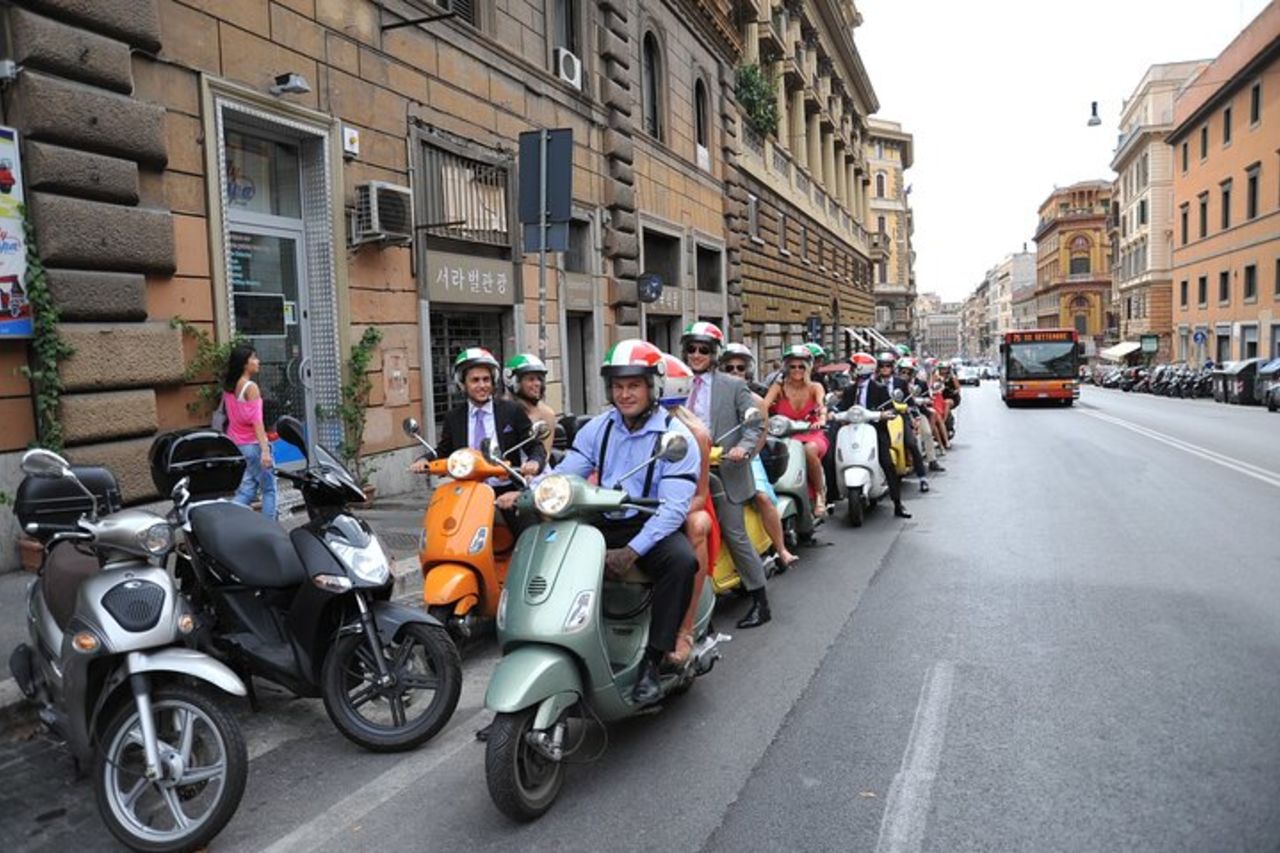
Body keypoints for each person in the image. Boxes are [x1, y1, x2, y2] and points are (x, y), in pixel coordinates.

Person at [547, 339, 702, 704]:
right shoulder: (597, 429)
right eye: (618, 386)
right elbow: (567, 473)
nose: (625, 394)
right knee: (546, 547)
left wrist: (631, 552)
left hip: (648, 525)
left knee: (681, 562)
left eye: (633, 385)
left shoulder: (676, 439)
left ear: (653, 387)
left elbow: (673, 509)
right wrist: (536, 488)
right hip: (603, 519)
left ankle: (652, 660)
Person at [681, 322, 772, 629]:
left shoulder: (732, 386)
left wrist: (743, 449)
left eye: (703, 349)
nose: (696, 355)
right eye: (691, 348)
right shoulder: (674, 383)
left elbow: (755, 424)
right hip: (682, 470)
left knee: (734, 533)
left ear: (714, 353)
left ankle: (761, 601)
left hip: (724, 470)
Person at [414, 348, 545, 504]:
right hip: (466, 490)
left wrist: (534, 462)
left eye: (486, 379)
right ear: (463, 384)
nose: (482, 385)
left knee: (524, 523)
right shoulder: (454, 417)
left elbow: (534, 445)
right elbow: (444, 450)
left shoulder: (512, 410)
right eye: (475, 380)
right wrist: (423, 460)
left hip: (506, 490)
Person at [718, 343, 799, 571]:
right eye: (729, 368)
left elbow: (760, 436)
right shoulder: (712, 397)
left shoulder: (755, 400)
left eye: (739, 368)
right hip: (714, 457)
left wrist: (744, 452)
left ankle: (781, 549)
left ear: (747, 371)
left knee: (762, 496)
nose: (735, 372)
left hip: (745, 458)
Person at [657, 353, 714, 665]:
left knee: (697, 526)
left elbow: (700, 495)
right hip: (641, 508)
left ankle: (685, 627)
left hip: (683, 507)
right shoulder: (620, 423)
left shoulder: (695, 433)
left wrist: (666, 512)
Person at [839, 351, 912, 518]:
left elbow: (890, 407)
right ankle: (830, 497)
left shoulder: (879, 389)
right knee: (832, 455)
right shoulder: (850, 390)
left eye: (853, 367)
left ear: (861, 368)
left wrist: (886, 414)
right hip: (852, 431)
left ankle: (898, 504)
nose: (850, 370)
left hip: (874, 430)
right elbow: (842, 407)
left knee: (887, 463)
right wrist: (832, 413)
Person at [763, 345, 829, 518]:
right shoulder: (778, 387)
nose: (797, 370)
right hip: (785, 435)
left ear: (808, 367)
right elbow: (763, 406)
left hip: (811, 433)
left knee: (809, 450)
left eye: (801, 366)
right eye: (793, 366)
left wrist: (821, 419)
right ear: (786, 367)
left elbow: (822, 406)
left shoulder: (816, 387)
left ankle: (820, 495)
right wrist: (758, 418)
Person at [225, 345, 277, 519]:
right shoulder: (250, 387)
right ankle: (269, 530)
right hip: (253, 446)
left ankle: (227, 520)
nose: (258, 361)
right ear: (244, 364)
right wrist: (265, 451)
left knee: (247, 489)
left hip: (238, 444)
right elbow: (257, 422)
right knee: (269, 489)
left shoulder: (230, 386)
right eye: (254, 358)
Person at [503, 353, 556, 458]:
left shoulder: (547, 414)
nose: (537, 384)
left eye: (539, 379)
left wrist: (534, 466)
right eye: (531, 379)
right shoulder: (500, 409)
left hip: (535, 471)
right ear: (514, 381)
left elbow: (544, 455)